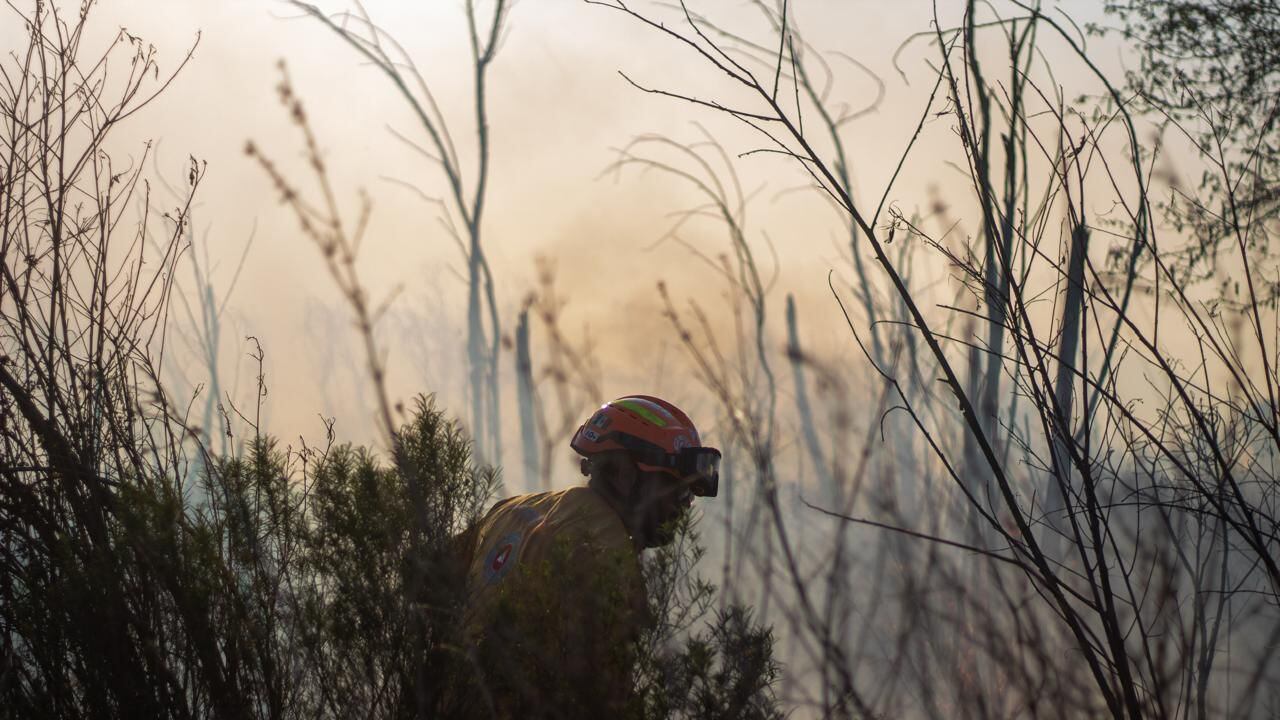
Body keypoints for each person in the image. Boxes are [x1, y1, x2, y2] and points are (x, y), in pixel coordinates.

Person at [456, 395, 720, 719]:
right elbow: (603, 699)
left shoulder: (512, 508)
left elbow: (427, 576)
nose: (684, 506)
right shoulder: (607, 556)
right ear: (623, 472)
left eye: (690, 495)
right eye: (676, 489)